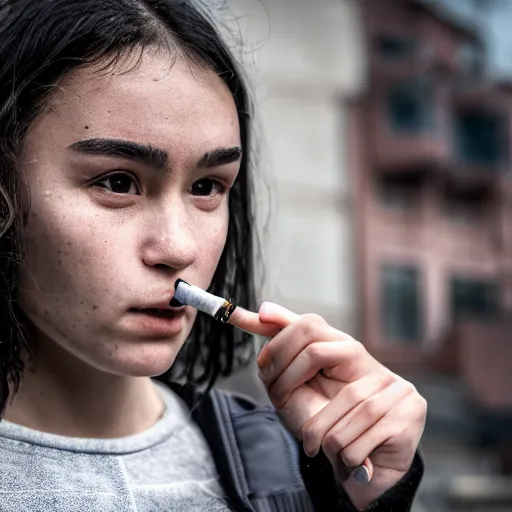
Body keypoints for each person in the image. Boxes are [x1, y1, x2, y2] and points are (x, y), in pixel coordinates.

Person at [0, 1, 427, 510]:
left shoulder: (282, 463)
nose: (179, 248)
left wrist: (368, 496)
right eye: (118, 183)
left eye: (207, 187)